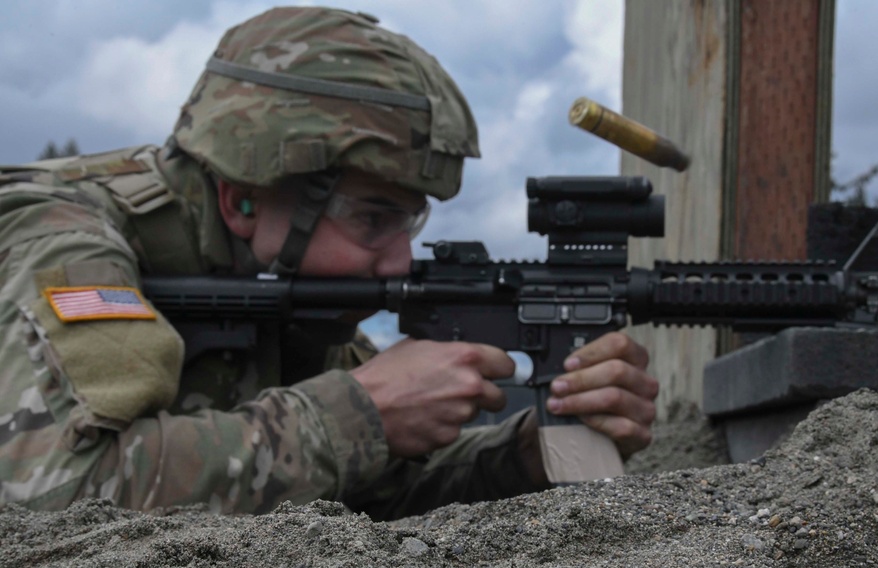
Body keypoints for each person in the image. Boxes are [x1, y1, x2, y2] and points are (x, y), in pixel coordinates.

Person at [0, 7, 659, 519]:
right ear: (243, 201)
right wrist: (358, 414)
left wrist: (527, 450)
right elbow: (58, 492)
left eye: (411, 220)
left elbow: (359, 487)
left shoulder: (274, 281)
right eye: (373, 218)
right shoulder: (62, 239)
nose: (400, 257)